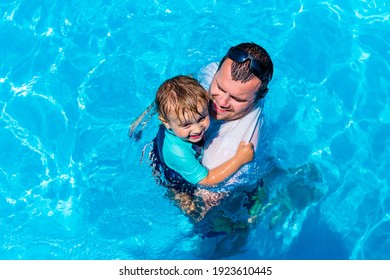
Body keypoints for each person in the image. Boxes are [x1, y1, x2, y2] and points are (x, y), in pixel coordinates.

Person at [193, 42, 274, 230]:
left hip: (235, 190)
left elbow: (200, 211)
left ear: (259, 97)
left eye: (237, 99)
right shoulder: (213, 71)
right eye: (219, 87)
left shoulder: (229, 151)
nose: (221, 102)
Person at [149, 75, 255, 219]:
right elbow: (207, 180)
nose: (197, 129)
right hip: (174, 175)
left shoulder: (180, 118)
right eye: (186, 125)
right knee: (197, 213)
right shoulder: (177, 152)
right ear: (166, 123)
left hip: (175, 145)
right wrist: (239, 159)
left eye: (202, 118)